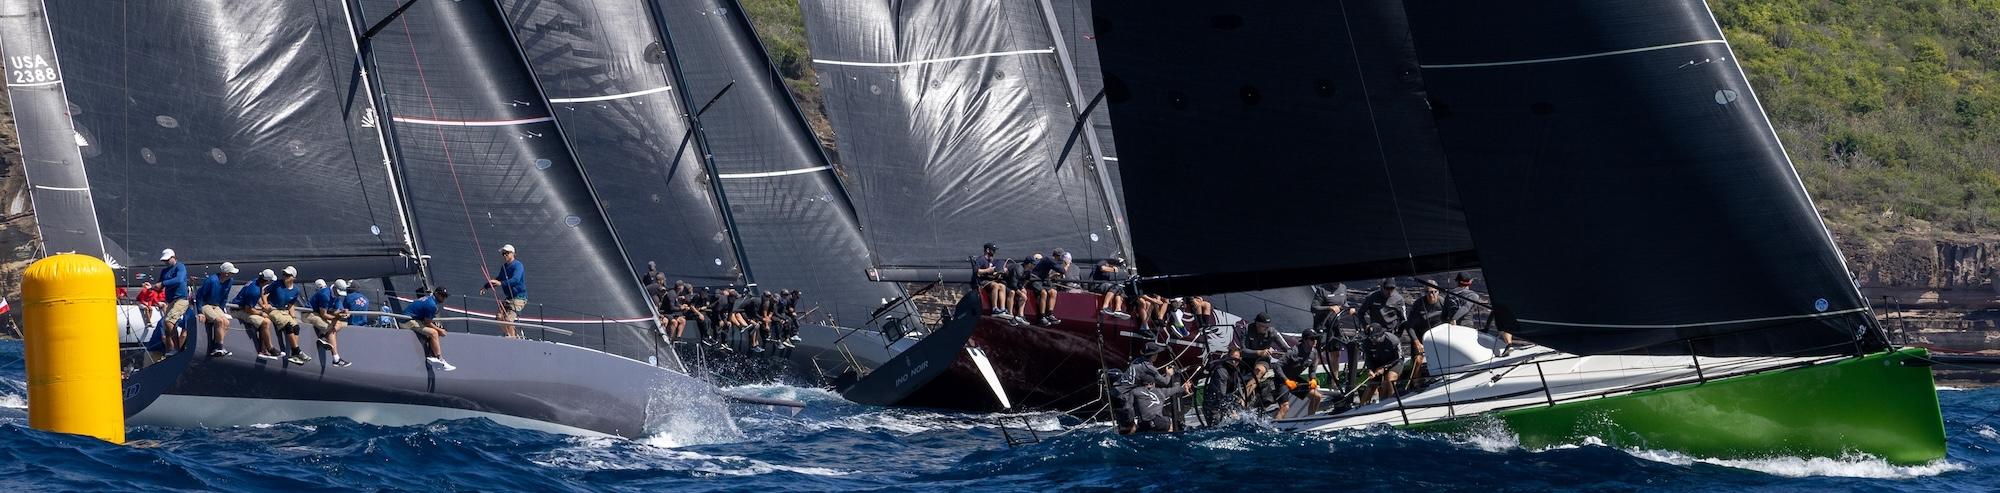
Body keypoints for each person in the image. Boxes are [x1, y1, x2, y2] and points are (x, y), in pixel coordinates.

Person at [402, 287, 454, 371]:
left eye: (445, 296)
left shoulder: (429, 299)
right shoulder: (431, 305)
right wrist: (440, 330)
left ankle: (432, 356)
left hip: (410, 318)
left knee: (434, 331)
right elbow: (427, 323)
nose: (444, 298)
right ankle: (440, 359)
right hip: (407, 321)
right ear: (436, 294)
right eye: (442, 295)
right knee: (434, 333)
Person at [193, 262, 239, 357]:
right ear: (226, 273)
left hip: (216, 306)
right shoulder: (211, 281)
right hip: (206, 305)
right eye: (232, 272)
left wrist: (222, 310)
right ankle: (219, 347)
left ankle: (217, 345)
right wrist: (200, 312)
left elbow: (225, 297)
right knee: (218, 320)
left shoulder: (229, 281)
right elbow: (200, 296)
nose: (233, 275)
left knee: (226, 322)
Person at [232, 269, 278, 360]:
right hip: (238, 310)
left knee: (267, 321)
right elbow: (248, 310)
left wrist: (263, 306)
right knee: (264, 322)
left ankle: (263, 350)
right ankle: (269, 348)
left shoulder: (256, 281)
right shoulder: (253, 291)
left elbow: (259, 293)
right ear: (268, 281)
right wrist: (261, 313)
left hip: (245, 308)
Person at [262, 266, 307, 362]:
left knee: (296, 327)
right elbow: (264, 292)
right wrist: (265, 304)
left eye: (288, 275)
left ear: (293, 278)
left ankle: (294, 354)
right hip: (273, 309)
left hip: (284, 311)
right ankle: (297, 351)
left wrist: (293, 316)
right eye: (284, 274)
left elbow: (291, 305)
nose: (285, 276)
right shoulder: (277, 284)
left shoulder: (296, 290)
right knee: (288, 326)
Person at [1275, 331, 1325, 417]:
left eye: (1316, 339)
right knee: (1285, 407)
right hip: (1282, 381)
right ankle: (1274, 426)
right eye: (1312, 339)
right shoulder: (1294, 352)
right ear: (1305, 340)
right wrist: (1286, 381)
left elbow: (1312, 370)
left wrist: (1313, 379)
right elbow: (1277, 366)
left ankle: (1309, 420)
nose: (1315, 341)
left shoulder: (1314, 353)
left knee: (1317, 397)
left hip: (1295, 380)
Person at [305, 279, 350, 366]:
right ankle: (336, 358)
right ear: (335, 288)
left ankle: (324, 336)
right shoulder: (325, 295)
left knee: (340, 324)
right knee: (329, 328)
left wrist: (343, 312)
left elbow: (336, 311)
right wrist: (337, 316)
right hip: (310, 313)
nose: (339, 295)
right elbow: (324, 315)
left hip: (321, 314)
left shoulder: (336, 296)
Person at [486, 244, 527, 339]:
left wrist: (500, 283)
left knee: (508, 319)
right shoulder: (504, 267)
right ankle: (512, 335)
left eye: (507, 253)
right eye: (503, 254)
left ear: (513, 254)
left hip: (519, 298)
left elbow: (516, 280)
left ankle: (513, 339)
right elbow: (499, 278)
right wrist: (487, 286)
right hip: (509, 298)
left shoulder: (518, 265)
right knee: (499, 317)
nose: (504, 255)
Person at [1200, 348, 1247, 424]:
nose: (1233, 360)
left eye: (1236, 358)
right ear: (1228, 356)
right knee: (1217, 426)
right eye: (1232, 357)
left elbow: (1238, 383)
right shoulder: (1222, 370)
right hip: (1213, 406)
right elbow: (1221, 394)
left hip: (1226, 402)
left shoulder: (1235, 367)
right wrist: (1230, 411)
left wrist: (1241, 397)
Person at [157, 249, 189, 355]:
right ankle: (170, 350)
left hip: (181, 299)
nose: (165, 262)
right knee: (167, 326)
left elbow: (179, 279)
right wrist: (151, 287)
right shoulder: (164, 271)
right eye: (164, 260)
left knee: (169, 322)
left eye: (167, 260)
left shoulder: (180, 266)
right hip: (170, 301)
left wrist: (163, 283)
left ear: (173, 258)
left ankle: (176, 349)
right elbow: (159, 286)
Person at [1361, 325, 1404, 404]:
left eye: (1374, 337)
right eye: (1370, 337)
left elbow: (1398, 357)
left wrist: (1384, 367)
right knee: (1371, 384)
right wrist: (1370, 369)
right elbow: (1368, 358)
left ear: (1381, 335)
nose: (1372, 340)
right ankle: (1362, 406)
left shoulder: (1393, 340)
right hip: (1377, 364)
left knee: (1389, 378)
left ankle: (1392, 402)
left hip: (1394, 363)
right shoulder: (1366, 343)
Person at [1031, 248, 1071, 326]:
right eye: (1061, 256)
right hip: (1035, 279)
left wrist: (1053, 276)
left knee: (1053, 292)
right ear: (1057, 256)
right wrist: (1067, 264)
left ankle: (1050, 314)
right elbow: (1062, 270)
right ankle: (1042, 317)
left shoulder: (1053, 262)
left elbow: (1050, 273)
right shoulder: (1049, 260)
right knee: (1043, 293)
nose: (1062, 258)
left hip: (1043, 280)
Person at [973, 243, 1010, 317]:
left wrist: (1002, 271)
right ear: (987, 250)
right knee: (995, 285)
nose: (994, 252)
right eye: (993, 250)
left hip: (991, 280)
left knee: (1002, 286)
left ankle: (1002, 309)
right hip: (983, 281)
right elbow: (977, 271)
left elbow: (995, 270)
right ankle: (994, 308)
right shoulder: (981, 259)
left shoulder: (992, 260)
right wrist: (988, 270)